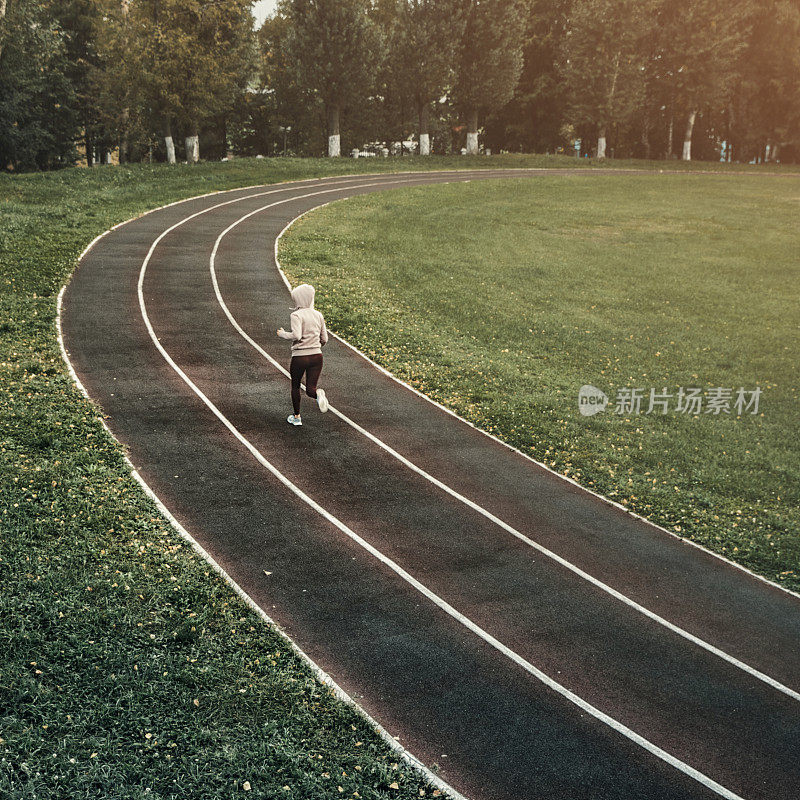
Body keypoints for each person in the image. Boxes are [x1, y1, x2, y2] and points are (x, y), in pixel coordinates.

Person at [277, 283, 329, 426]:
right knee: (311, 388)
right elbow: (324, 339)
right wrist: (316, 346)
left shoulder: (296, 315)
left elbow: (297, 335)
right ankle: (318, 394)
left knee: (295, 385)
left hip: (300, 356)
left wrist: (283, 334)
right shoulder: (318, 315)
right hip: (317, 356)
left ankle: (297, 417)